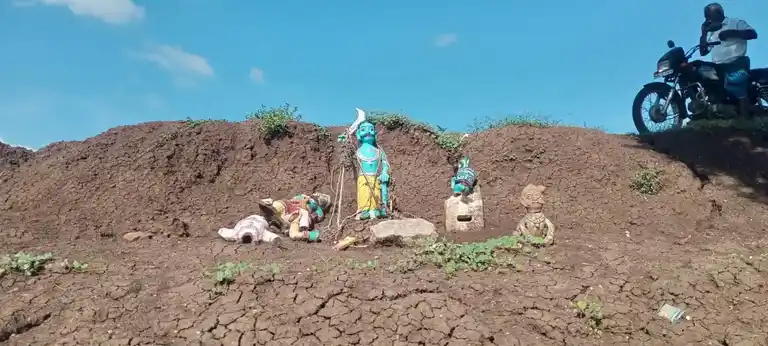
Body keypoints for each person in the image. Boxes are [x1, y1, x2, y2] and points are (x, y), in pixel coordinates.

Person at [699, 3, 758, 118]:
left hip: (737, 61)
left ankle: (744, 119)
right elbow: (703, 51)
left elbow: (752, 34)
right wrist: (704, 32)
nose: (707, 19)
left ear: (719, 13)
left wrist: (731, 33)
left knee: (736, 83)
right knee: (710, 83)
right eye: (706, 17)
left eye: (709, 15)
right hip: (719, 66)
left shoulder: (735, 23)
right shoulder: (712, 31)